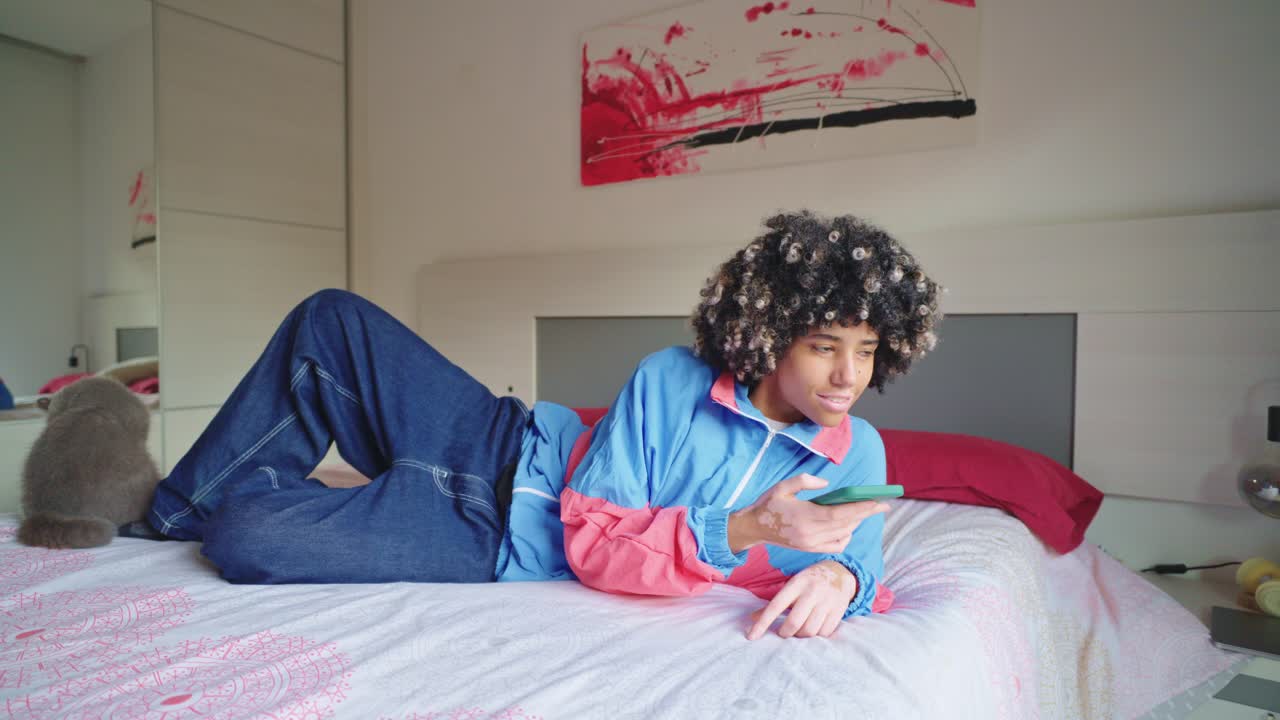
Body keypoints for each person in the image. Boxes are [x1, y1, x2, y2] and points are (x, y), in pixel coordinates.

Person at [146, 210, 941, 641]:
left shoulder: (855, 455)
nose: (849, 376)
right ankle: (163, 512)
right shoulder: (672, 380)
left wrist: (841, 580)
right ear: (770, 334)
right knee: (331, 320)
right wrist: (746, 526)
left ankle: (342, 500)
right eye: (824, 346)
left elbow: (860, 572)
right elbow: (597, 531)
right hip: (499, 439)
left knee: (247, 534)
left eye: (868, 350)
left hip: (488, 542)